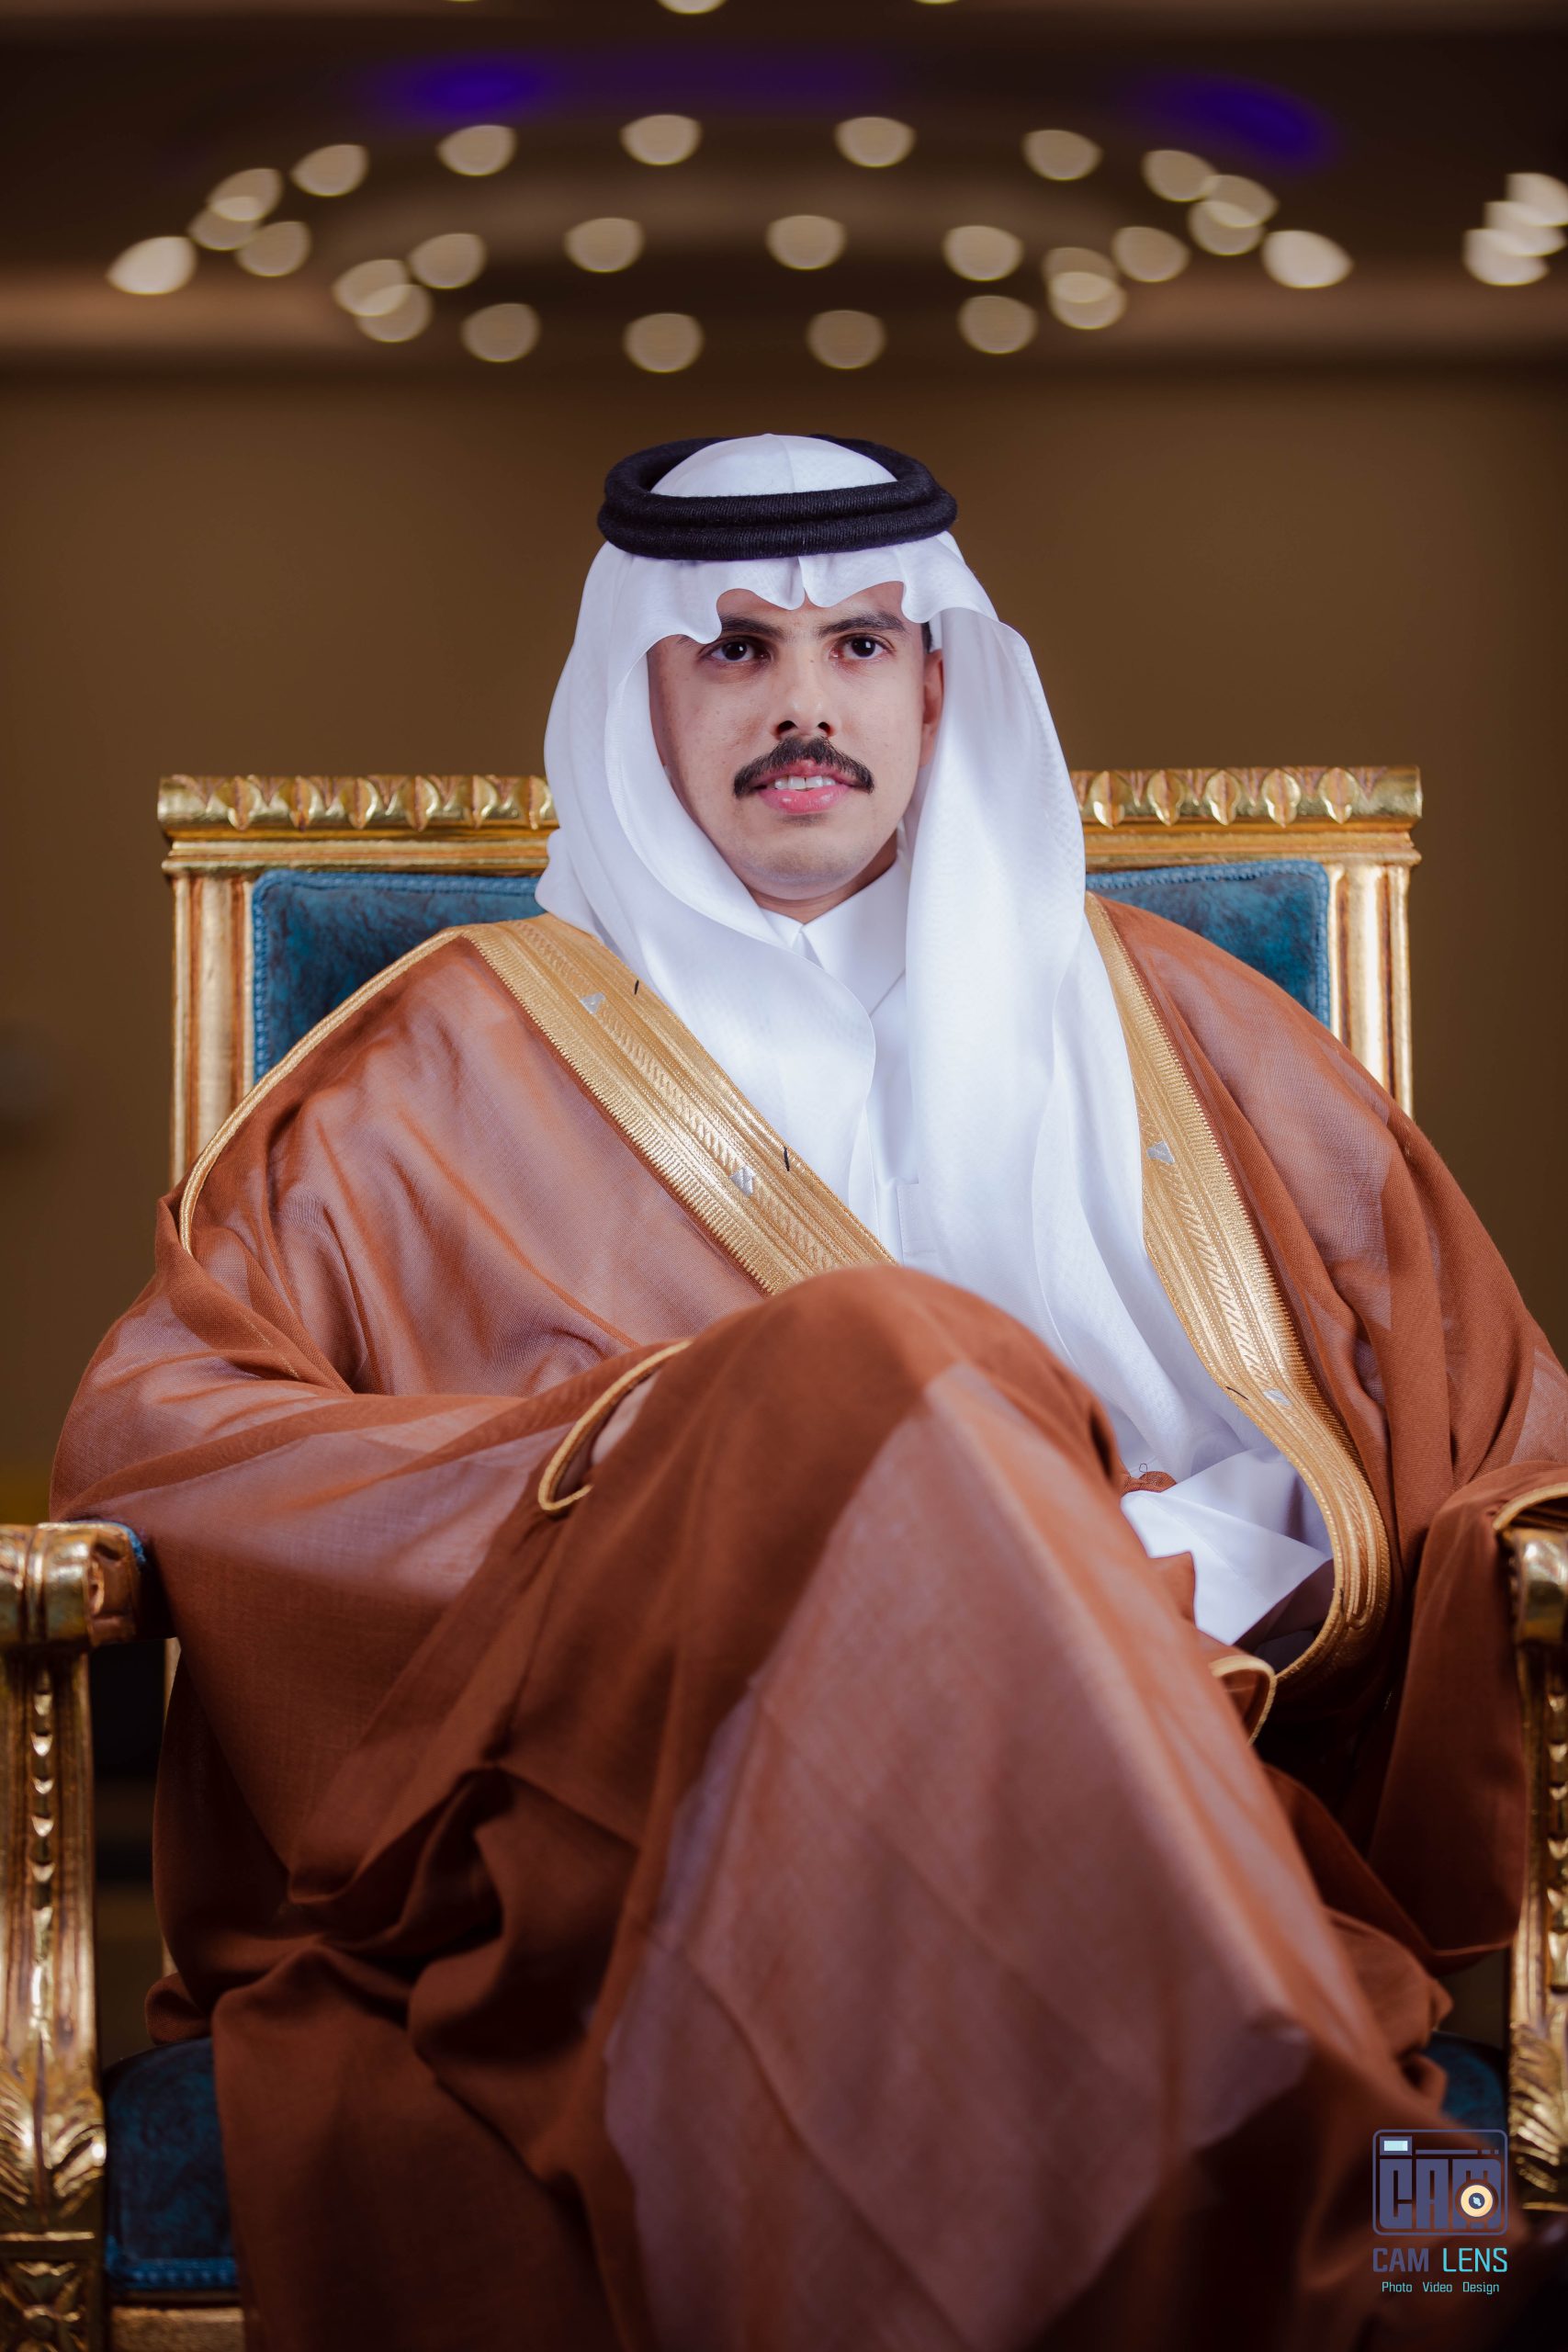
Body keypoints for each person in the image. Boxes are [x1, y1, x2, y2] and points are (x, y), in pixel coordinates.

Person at [54, 435, 1568, 2352]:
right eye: (735, 650)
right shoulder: (432, 1070)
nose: (802, 704)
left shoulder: (1192, 1029)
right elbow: (166, 1440)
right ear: (638, 695)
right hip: (656, 1834)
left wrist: (1084, 1589)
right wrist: (673, 1470)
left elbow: (1488, 1440)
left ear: (937, 684)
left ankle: (1405, 2239)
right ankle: (1404, 2279)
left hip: (1172, 1795)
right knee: (874, 1357)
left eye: (858, 643)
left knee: (923, 1391)